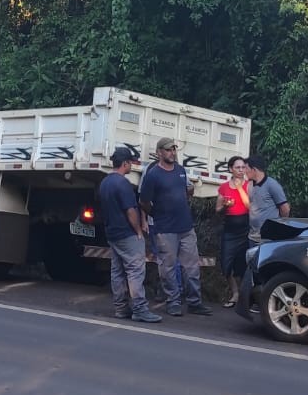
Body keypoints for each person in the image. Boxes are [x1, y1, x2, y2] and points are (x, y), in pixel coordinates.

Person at [139, 136, 209, 316]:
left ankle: (195, 302)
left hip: (185, 227)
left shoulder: (180, 170)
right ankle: (173, 301)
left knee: (191, 266)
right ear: (159, 152)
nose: (172, 152)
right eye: (169, 150)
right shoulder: (153, 175)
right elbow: (144, 201)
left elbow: (185, 192)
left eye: (174, 149)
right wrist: (155, 214)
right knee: (168, 267)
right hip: (165, 228)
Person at [99, 146, 162, 323]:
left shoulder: (105, 183)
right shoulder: (123, 184)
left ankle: (120, 308)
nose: (132, 166)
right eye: (131, 163)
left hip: (112, 233)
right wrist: (138, 231)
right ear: (125, 163)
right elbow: (130, 211)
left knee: (117, 271)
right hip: (126, 233)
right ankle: (140, 309)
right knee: (135, 271)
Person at [216, 156, 252, 307]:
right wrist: (225, 205)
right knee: (226, 265)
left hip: (245, 228)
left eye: (243, 167)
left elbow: (250, 206)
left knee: (242, 265)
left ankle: (243, 297)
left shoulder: (249, 185)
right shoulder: (224, 187)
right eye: (237, 167)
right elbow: (217, 210)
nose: (241, 170)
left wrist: (239, 188)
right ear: (231, 169)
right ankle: (235, 292)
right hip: (230, 230)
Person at [246, 155, 290, 243]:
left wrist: (279, 225)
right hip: (252, 237)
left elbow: (285, 209)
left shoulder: (272, 185)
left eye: (246, 168)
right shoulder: (249, 185)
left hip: (268, 238)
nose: (244, 172)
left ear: (254, 169)